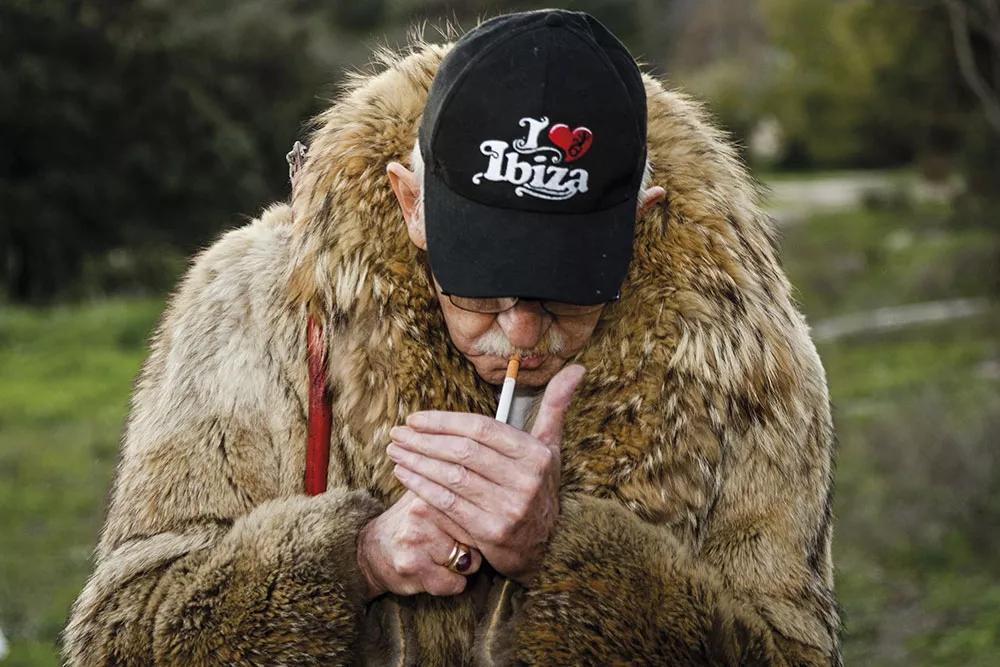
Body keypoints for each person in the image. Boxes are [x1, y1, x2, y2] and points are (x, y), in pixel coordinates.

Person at [63, 9, 842, 666]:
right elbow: (116, 636)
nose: (523, 334)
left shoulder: (742, 352)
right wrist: (354, 560)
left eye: (569, 291)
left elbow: (794, 650)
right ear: (410, 204)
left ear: (640, 221)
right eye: (479, 289)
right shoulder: (259, 307)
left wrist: (566, 552)